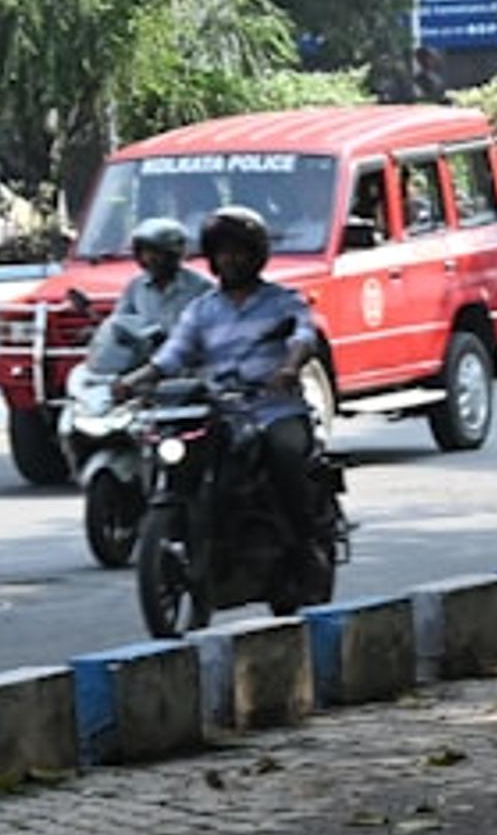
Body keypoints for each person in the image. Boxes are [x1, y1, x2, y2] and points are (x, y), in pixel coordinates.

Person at [147, 204, 332, 570]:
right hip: (222, 413)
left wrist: (289, 368)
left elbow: (304, 335)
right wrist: (133, 382)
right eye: (223, 252)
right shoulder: (201, 310)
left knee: (285, 454)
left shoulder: (283, 301)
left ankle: (304, 546)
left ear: (256, 255)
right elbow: (173, 352)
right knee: (183, 457)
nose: (230, 259)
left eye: (239, 251)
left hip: (275, 409)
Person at [86, 214, 201, 394]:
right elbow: (121, 320)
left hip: (190, 370)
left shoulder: (200, 288)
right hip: (144, 368)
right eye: (144, 252)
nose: (149, 258)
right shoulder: (136, 287)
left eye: (156, 252)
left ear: (173, 254)